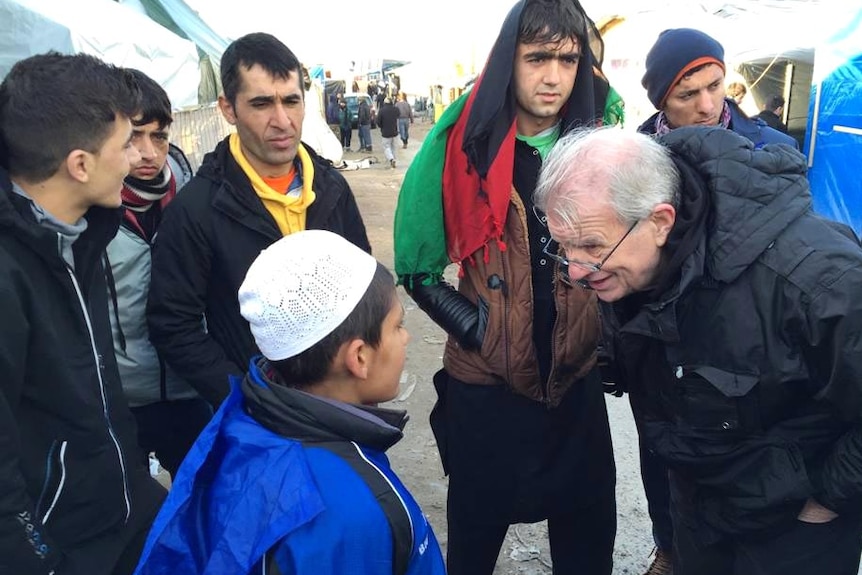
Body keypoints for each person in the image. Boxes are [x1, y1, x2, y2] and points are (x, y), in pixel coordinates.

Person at [534, 125, 862, 575]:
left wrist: (826, 500)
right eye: (564, 246)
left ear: (661, 221)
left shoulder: (815, 279)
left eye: (590, 246)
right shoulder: (629, 263)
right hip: (697, 508)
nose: (575, 270)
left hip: (794, 529)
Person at [393, 0, 625, 573]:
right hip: (487, 387)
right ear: (507, 61)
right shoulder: (460, 145)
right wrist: (482, 330)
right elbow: (417, 268)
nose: (553, 77)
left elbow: (633, 249)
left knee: (588, 535)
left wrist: (611, 334)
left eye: (568, 60)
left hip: (574, 380)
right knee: (474, 536)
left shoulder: (602, 141)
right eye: (537, 57)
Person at [134, 230, 446, 575]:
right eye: (397, 326)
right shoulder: (353, 514)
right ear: (359, 357)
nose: (407, 336)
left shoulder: (244, 420)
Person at [633, 28, 798, 574]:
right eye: (687, 95)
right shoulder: (635, 159)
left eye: (716, 86)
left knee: (739, 451)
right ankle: (669, 545)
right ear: (661, 102)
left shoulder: (771, 150)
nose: (707, 106)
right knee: (661, 448)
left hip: (742, 337)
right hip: (661, 339)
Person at [0, 52, 166, 575]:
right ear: (80, 164)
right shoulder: (10, 272)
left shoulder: (83, 234)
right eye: (125, 144)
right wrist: (39, 561)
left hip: (122, 512)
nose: (138, 158)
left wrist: (139, 495)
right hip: (61, 545)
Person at [147, 32, 371, 408]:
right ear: (228, 109)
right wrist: (244, 396)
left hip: (342, 403)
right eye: (262, 104)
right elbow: (173, 324)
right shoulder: (197, 208)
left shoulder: (332, 187)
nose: (282, 121)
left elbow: (363, 286)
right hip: (257, 417)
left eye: (291, 101)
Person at [104, 69, 211, 478]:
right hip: (119, 400)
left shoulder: (195, 198)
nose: (148, 152)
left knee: (205, 503)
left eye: (159, 136)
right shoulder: (84, 211)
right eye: (134, 136)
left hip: (189, 390)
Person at [377, 96, 400, 168]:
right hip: (394, 131)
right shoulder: (396, 109)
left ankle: (391, 158)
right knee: (394, 147)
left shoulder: (381, 110)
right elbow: (398, 115)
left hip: (385, 133)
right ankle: (394, 160)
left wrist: (382, 127)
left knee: (386, 147)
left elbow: (378, 122)